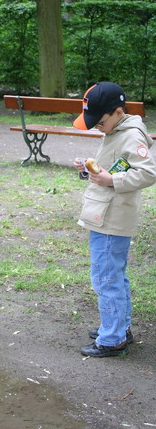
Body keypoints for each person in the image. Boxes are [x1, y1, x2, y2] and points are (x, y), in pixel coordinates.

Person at [73, 81, 156, 357]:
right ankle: (119, 326)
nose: (97, 125)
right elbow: (110, 170)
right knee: (114, 276)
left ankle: (112, 339)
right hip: (105, 214)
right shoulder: (116, 131)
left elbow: (148, 173)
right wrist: (89, 170)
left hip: (113, 219)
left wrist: (112, 179)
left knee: (106, 278)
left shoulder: (130, 135)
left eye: (100, 121)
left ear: (118, 112)